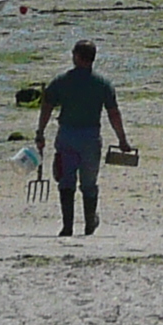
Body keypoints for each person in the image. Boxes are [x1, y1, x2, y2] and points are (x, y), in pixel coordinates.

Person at [31, 39, 127, 237]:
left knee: (66, 181)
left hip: (67, 134)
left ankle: (67, 226)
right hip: (91, 136)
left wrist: (40, 132)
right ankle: (89, 222)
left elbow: (47, 107)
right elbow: (113, 113)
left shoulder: (62, 81)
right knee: (89, 183)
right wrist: (122, 140)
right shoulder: (102, 84)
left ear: (76, 56)